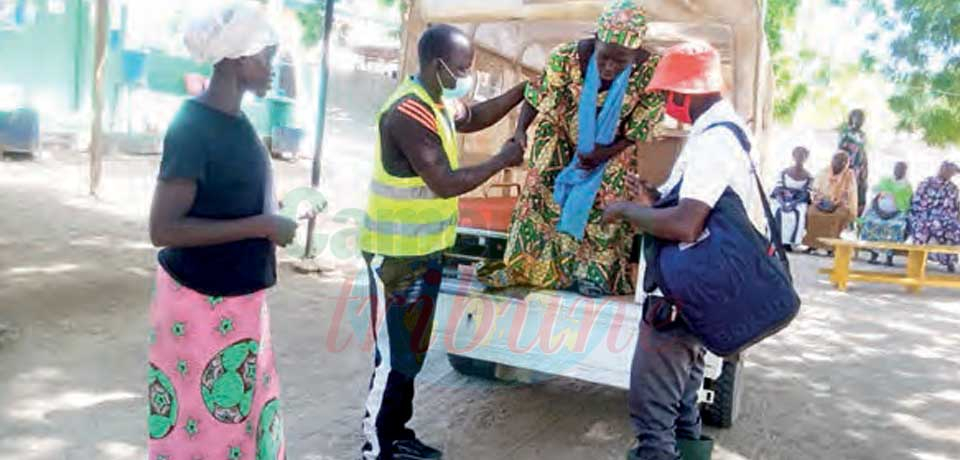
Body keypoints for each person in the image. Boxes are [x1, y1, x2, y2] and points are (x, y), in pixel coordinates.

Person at [358, 24, 527, 460]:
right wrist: (502, 159)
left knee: (410, 351)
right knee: (393, 353)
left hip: (423, 251)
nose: (467, 75)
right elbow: (445, 182)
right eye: (463, 68)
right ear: (437, 66)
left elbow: (477, 116)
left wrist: (524, 92)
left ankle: (398, 433)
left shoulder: (437, 103)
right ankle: (377, 446)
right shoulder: (408, 114)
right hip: (394, 257)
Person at [146, 3, 293, 458]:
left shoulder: (239, 121)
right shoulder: (193, 125)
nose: (272, 67)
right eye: (266, 56)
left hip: (240, 300)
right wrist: (262, 224)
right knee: (201, 432)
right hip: (200, 303)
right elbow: (163, 227)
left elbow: (223, 198)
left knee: (241, 425)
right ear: (238, 57)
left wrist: (271, 212)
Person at [603, 41, 752, 460]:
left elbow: (687, 224)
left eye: (670, 95)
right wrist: (653, 198)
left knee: (653, 408)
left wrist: (627, 211)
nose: (668, 105)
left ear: (687, 93)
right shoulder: (722, 132)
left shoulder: (715, 141)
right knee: (685, 399)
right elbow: (696, 208)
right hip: (704, 290)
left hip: (683, 296)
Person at [479, 0, 665, 297]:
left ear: (636, 53)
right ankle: (529, 267)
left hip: (612, 146)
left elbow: (639, 128)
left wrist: (600, 155)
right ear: (596, 39)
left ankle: (593, 275)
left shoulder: (652, 71)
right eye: (605, 57)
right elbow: (537, 95)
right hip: (561, 133)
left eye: (621, 62)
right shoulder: (566, 56)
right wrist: (519, 132)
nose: (610, 67)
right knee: (542, 186)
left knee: (608, 198)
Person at [803, 152, 859, 254]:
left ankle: (831, 247)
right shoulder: (823, 172)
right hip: (821, 202)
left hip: (840, 205)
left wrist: (836, 203)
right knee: (811, 213)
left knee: (837, 216)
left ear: (846, 163)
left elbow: (850, 194)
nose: (839, 164)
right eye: (837, 160)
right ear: (832, 161)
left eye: (843, 162)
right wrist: (820, 201)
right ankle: (812, 244)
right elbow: (815, 190)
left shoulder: (849, 175)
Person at [909, 161, 960, 272]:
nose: (950, 174)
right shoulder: (926, 183)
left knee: (955, 229)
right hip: (924, 214)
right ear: (941, 169)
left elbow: (954, 208)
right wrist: (931, 215)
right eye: (948, 171)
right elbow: (917, 203)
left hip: (945, 217)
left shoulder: (953, 188)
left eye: (952, 173)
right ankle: (918, 261)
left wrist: (951, 217)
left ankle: (949, 260)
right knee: (923, 228)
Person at [859, 161, 912, 266]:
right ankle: (873, 253)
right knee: (870, 222)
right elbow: (874, 199)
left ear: (905, 172)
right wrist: (879, 211)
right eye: (897, 168)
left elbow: (905, 206)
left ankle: (889, 256)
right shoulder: (885, 181)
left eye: (902, 169)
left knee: (896, 226)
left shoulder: (906, 186)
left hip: (896, 214)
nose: (899, 171)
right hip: (878, 211)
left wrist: (891, 214)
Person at [771, 146, 814, 250]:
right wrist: (782, 203)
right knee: (779, 211)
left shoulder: (809, 176)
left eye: (803, 156)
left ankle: (790, 242)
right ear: (793, 156)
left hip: (798, 201)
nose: (800, 158)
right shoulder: (784, 172)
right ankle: (776, 240)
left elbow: (806, 193)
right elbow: (777, 190)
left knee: (798, 212)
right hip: (781, 199)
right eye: (797, 156)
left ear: (806, 158)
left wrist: (793, 203)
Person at [839, 109, 869, 215]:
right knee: (847, 192)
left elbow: (863, 151)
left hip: (860, 167)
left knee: (860, 192)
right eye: (857, 118)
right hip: (848, 167)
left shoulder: (862, 134)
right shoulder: (846, 133)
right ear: (851, 118)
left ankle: (856, 219)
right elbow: (841, 150)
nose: (860, 121)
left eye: (862, 119)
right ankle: (846, 220)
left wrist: (865, 168)